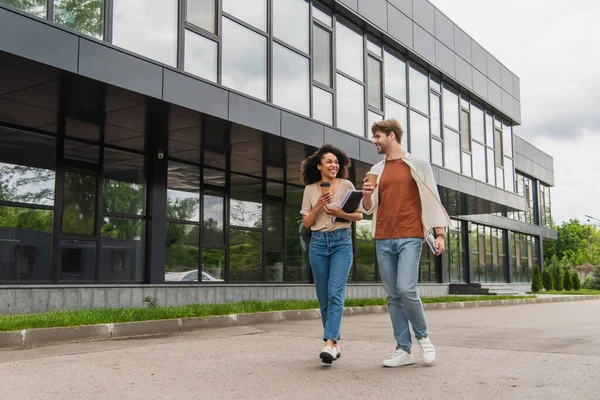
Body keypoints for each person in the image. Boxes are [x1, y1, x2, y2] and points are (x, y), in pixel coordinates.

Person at [360, 119, 451, 367]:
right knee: (392, 295)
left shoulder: (419, 164)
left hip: (411, 234)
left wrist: (440, 233)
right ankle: (404, 349)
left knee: (406, 288)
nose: (374, 141)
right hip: (383, 237)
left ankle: (424, 338)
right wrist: (367, 196)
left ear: (391, 136)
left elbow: (432, 196)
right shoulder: (376, 169)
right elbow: (368, 209)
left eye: (377, 136)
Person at [300, 144, 362, 364]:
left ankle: (329, 342)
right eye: (329, 161)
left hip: (341, 242)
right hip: (317, 244)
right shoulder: (310, 189)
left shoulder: (346, 185)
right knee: (324, 297)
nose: (334, 165)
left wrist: (340, 212)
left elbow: (358, 216)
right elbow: (307, 223)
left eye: (336, 162)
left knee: (335, 292)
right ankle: (334, 345)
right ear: (319, 166)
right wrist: (318, 205)